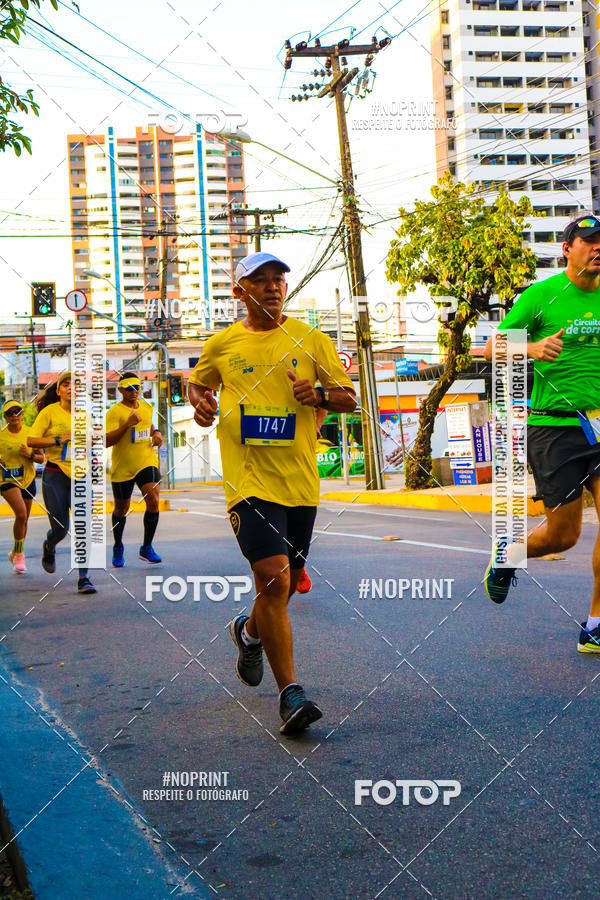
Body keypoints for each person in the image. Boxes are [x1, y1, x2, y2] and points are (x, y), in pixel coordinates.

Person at [188, 251, 356, 735]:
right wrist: (201, 404)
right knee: (275, 579)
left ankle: (247, 632)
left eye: (278, 279)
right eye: (258, 281)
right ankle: (291, 695)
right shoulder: (222, 344)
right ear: (239, 292)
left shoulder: (312, 339)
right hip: (248, 481)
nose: (271, 287)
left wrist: (319, 396)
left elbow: (349, 395)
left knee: (279, 588)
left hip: (299, 482)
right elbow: (196, 386)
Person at [483, 213, 600, 652]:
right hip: (554, 429)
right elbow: (493, 346)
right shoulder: (541, 296)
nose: (597, 248)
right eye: (588, 241)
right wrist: (529, 348)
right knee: (563, 536)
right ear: (567, 249)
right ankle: (508, 555)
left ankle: (595, 625)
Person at [27, 372, 96, 594]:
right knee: (61, 528)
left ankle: (83, 577)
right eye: (65, 385)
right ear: (59, 391)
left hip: (81, 474)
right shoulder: (49, 412)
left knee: (83, 526)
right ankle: (50, 545)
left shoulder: (85, 416)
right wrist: (58, 440)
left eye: (75, 385)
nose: (70, 388)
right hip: (54, 474)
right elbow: (31, 440)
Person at [105, 372, 163, 567]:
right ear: (120, 390)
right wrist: (127, 425)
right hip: (123, 467)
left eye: (137, 387)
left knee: (154, 499)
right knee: (121, 509)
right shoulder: (114, 412)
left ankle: (147, 547)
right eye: (129, 388)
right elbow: (107, 441)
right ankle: (118, 546)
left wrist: (156, 433)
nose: (134, 391)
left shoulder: (147, 407)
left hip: (146, 459)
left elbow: (149, 425)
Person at [0, 400, 43, 574]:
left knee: (23, 520)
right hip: (7, 479)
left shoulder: (31, 434)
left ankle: (16, 551)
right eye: (10, 413)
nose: (14, 416)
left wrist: (30, 455)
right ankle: (20, 555)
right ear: (5, 417)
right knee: (21, 513)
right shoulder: (1, 435)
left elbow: (41, 458)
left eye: (17, 412)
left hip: (27, 479)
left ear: (22, 414)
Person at [296, 406, 329, 596]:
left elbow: (324, 398)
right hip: (256, 467)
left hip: (298, 469)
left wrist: (317, 424)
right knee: (269, 567)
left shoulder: (302, 378)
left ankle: (296, 565)